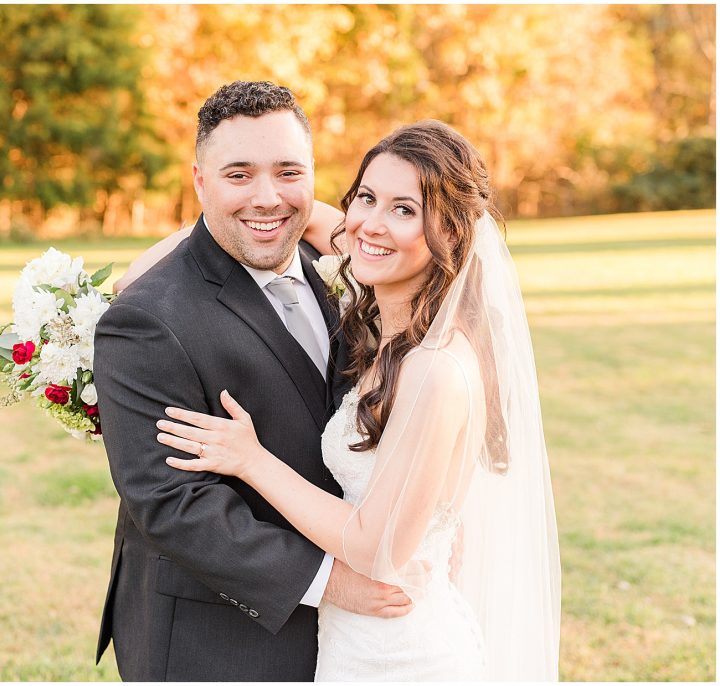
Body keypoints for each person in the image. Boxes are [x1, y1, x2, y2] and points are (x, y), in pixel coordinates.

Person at [155, 120, 562, 680]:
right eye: (366, 198)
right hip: (359, 638)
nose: (373, 224)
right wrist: (223, 227)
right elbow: (309, 218)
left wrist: (251, 461)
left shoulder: (434, 369)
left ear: (450, 232)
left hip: (401, 649)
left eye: (405, 209)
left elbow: (377, 549)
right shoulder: (393, 333)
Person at [93, 81, 414, 682]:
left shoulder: (347, 276)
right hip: (215, 641)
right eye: (239, 175)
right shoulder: (145, 318)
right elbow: (171, 502)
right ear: (199, 182)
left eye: (288, 171)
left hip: (354, 642)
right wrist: (334, 583)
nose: (268, 197)